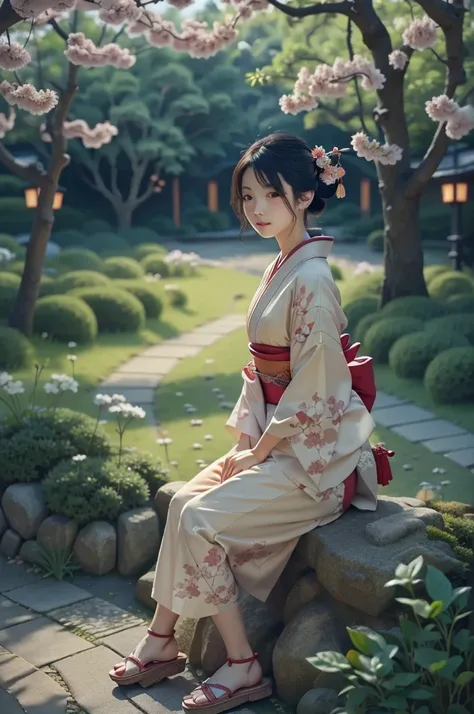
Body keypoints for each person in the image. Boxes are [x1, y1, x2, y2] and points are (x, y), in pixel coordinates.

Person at [108, 132, 393, 713]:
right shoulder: (285, 267)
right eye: (248, 195)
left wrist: (258, 451)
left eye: (271, 194)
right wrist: (247, 441)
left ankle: (243, 667)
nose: (256, 208)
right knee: (187, 499)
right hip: (283, 441)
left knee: (202, 518)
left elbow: (317, 389)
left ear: (307, 196)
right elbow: (262, 373)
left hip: (318, 459)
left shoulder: (312, 279)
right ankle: (161, 642)